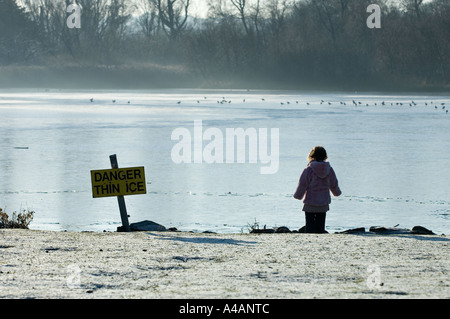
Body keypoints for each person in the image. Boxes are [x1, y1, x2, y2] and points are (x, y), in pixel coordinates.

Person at [293, 146, 341, 233]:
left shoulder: (309, 170)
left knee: (310, 227)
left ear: (312, 155)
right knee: (320, 226)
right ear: (325, 156)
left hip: (310, 203)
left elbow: (302, 185)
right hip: (323, 203)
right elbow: (334, 184)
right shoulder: (329, 169)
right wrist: (337, 193)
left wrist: (298, 196)